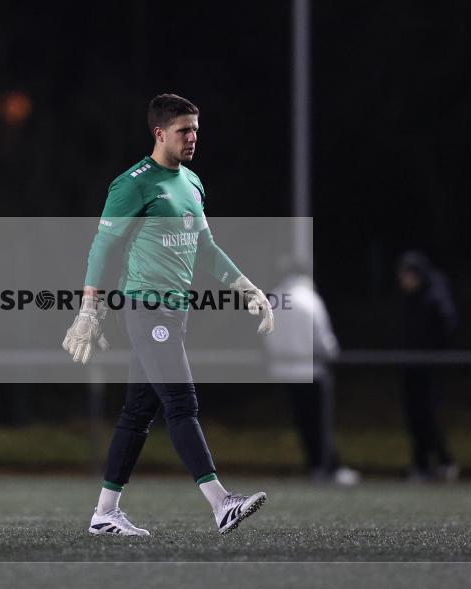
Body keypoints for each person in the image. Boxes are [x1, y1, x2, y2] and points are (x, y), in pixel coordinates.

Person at [62, 94, 274, 536]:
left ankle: (104, 513)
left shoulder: (192, 182)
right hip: (146, 309)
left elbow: (205, 248)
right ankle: (221, 503)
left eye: (195, 129)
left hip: (175, 311)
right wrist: (89, 309)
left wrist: (245, 286)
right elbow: (102, 247)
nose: (193, 137)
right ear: (160, 133)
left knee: (138, 412)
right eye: (183, 130)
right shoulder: (132, 184)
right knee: (181, 402)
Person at [265, 262, 360, 486]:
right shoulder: (310, 299)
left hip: (286, 370)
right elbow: (323, 337)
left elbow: (268, 336)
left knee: (304, 420)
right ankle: (328, 466)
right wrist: (331, 354)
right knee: (319, 420)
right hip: (313, 370)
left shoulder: (275, 299)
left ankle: (316, 465)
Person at [396, 250, 459, 481]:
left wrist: (434, 352)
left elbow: (447, 325)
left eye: (406, 275)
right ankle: (423, 464)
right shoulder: (412, 298)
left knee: (428, 415)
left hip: (428, 366)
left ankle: (443, 462)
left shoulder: (434, 296)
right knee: (416, 415)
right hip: (413, 364)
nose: (402, 280)